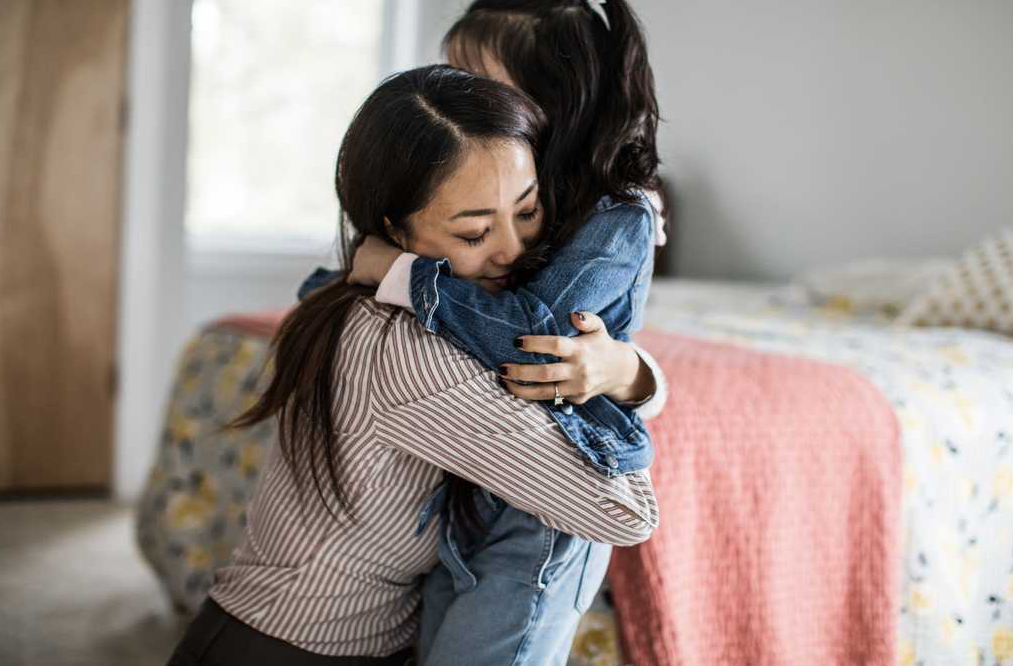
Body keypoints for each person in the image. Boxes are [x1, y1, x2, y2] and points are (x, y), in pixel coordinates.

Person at [164, 65, 659, 666]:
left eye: (528, 212)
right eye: (474, 233)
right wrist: (611, 393)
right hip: (286, 647)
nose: (513, 250)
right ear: (395, 231)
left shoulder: (360, 301)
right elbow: (625, 512)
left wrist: (629, 371)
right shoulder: (407, 352)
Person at [343, 0, 667, 666]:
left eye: (477, 83)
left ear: (558, 99)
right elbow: (349, 279)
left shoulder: (618, 213)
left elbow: (530, 339)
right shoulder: (500, 183)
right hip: (474, 481)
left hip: (549, 498)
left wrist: (404, 274)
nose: (459, 101)